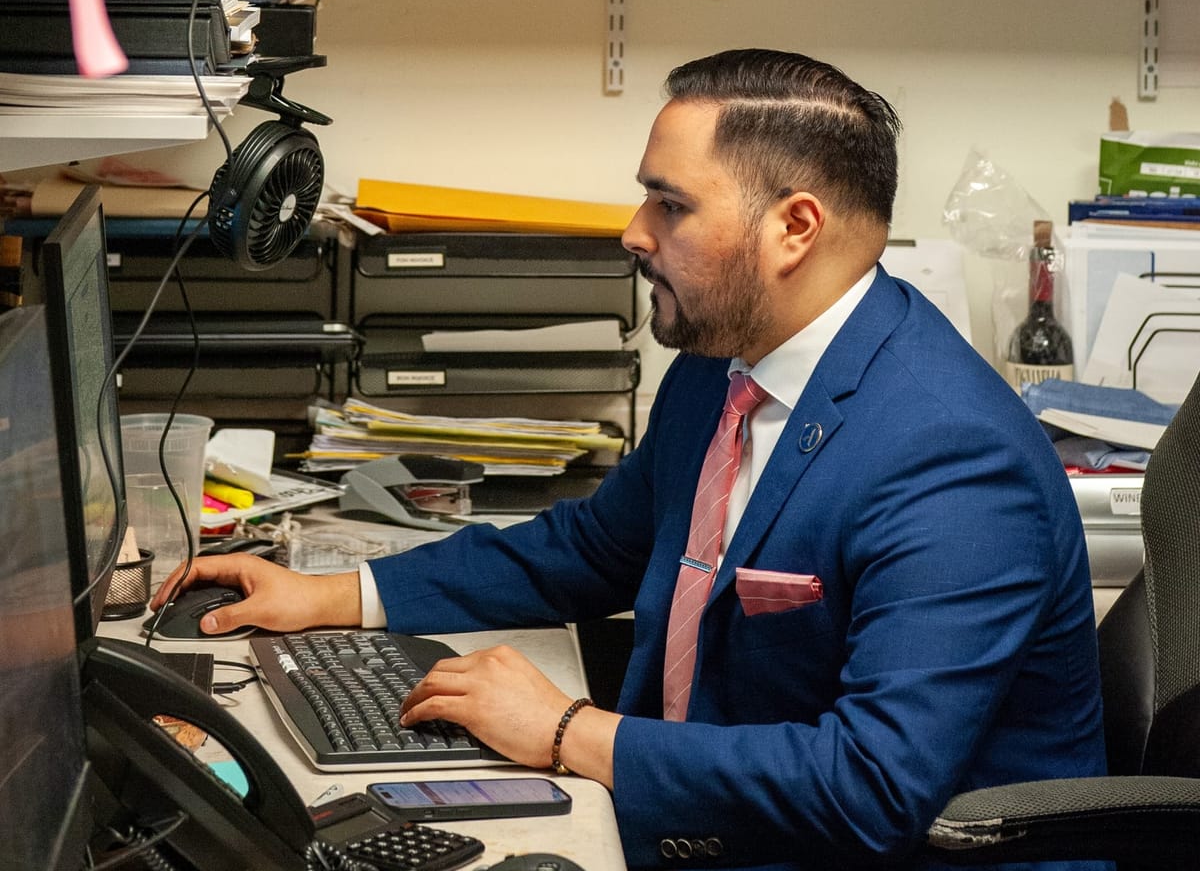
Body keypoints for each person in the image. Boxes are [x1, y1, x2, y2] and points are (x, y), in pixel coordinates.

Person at [155, 50, 1108, 871]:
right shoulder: (724, 361)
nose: (633, 231)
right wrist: (334, 596)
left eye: (671, 204)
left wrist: (568, 732)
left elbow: (871, 787)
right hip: (721, 823)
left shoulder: (952, 459)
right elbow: (593, 548)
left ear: (796, 228)